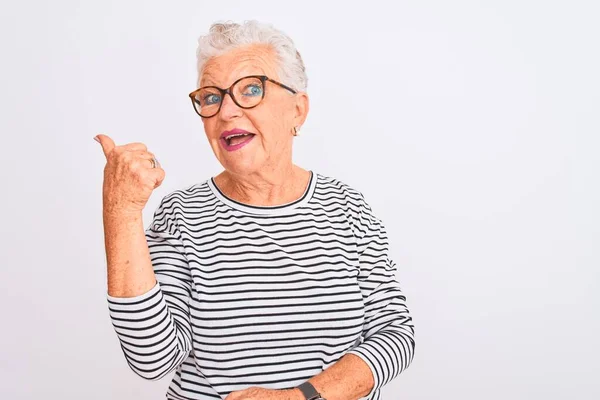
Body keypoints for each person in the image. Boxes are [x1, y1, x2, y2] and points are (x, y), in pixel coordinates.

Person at [96, 20, 415, 400]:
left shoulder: (348, 208)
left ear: (298, 110)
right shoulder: (181, 214)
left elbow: (394, 334)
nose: (227, 111)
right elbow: (153, 360)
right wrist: (123, 212)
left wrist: (302, 397)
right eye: (212, 97)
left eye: (251, 89)